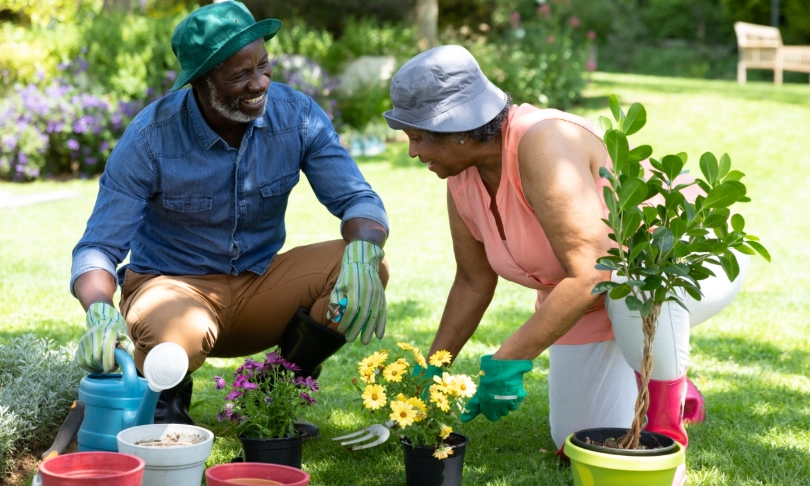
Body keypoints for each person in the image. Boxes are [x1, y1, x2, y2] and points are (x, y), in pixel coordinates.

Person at [382, 45, 748, 482]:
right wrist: (433, 367)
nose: (412, 151)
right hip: (590, 298)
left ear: (460, 129)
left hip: (678, 261)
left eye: (419, 136)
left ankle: (666, 429)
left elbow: (595, 268)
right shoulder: (461, 177)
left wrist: (508, 358)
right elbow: (472, 282)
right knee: (574, 438)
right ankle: (667, 383)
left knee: (632, 282)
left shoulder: (543, 142)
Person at [71, 1, 389, 438]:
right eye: (241, 75)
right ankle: (166, 402)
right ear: (202, 81)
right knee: (182, 325)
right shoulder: (150, 137)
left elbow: (358, 199)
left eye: (264, 65)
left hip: (260, 285)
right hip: (172, 292)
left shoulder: (296, 116)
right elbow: (98, 247)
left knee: (364, 262)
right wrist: (100, 312)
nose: (260, 83)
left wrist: (364, 252)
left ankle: (270, 399)